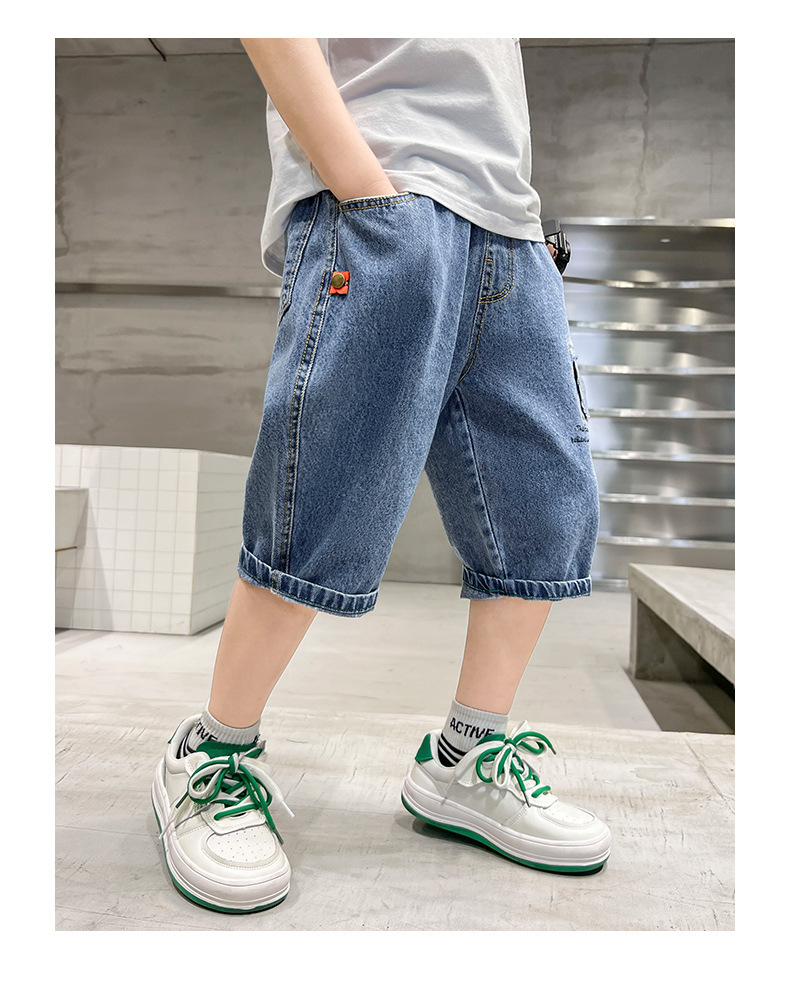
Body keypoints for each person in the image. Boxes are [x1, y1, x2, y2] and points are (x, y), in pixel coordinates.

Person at [151, 37, 611, 915]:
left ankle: (467, 757)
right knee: (319, 502)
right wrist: (363, 186)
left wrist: (516, 230)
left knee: (544, 510)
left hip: (512, 229)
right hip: (384, 198)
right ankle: (213, 753)